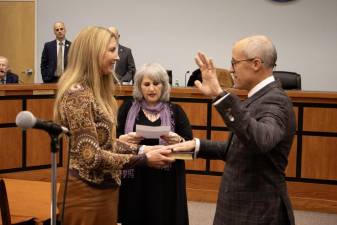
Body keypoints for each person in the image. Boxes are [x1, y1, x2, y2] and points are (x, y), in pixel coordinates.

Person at [168, 35, 296, 225]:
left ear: (256, 64)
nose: (230, 69)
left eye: (234, 62)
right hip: (241, 208)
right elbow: (238, 148)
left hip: (257, 213)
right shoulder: (259, 97)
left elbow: (260, 140)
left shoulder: (275, 101)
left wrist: (220, 95)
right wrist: (196, 146)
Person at [53, 26, 174, 225]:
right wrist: (143, 159)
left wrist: (144, 148)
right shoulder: (78, 95)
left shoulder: (96, 92)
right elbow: (92, 157)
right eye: (111, 50)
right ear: (92, 53)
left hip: (106, 191)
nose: (117, 57)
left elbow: (107, 144)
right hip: (86, 197)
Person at [117, 63, 193, 225]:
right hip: (134, 179)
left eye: (156, 84)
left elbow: (189, 152)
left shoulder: (176, 111)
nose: (152, 89)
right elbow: (112, 142)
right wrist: (124, 139)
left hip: (166, 182)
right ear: (139, 87)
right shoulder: (127, 108)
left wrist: (178, 142)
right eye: (147, 84)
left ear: (164, 86)